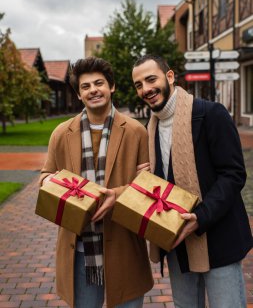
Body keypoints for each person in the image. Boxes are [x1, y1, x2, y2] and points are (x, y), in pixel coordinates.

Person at [132, 54, 253, 308]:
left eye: (151, 79)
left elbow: (233, 174)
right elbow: (164, 184)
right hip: (177, 243)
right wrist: (146, 180)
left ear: (170, 76)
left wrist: (200, 217)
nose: (146, 89)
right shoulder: (150, 128)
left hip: (218, 238)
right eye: (139, 85)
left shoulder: (210, 114)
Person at [39, 57, 153, 308]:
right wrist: (49, 182)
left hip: (124, 247)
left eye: (99, 83)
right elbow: (46, 176)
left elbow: (149, 188)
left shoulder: (136, 132)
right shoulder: (61, 133)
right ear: (79, 95)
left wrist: (118, 194)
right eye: (85, 86)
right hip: (79, 250)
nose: (93, 90)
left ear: (111, 87)